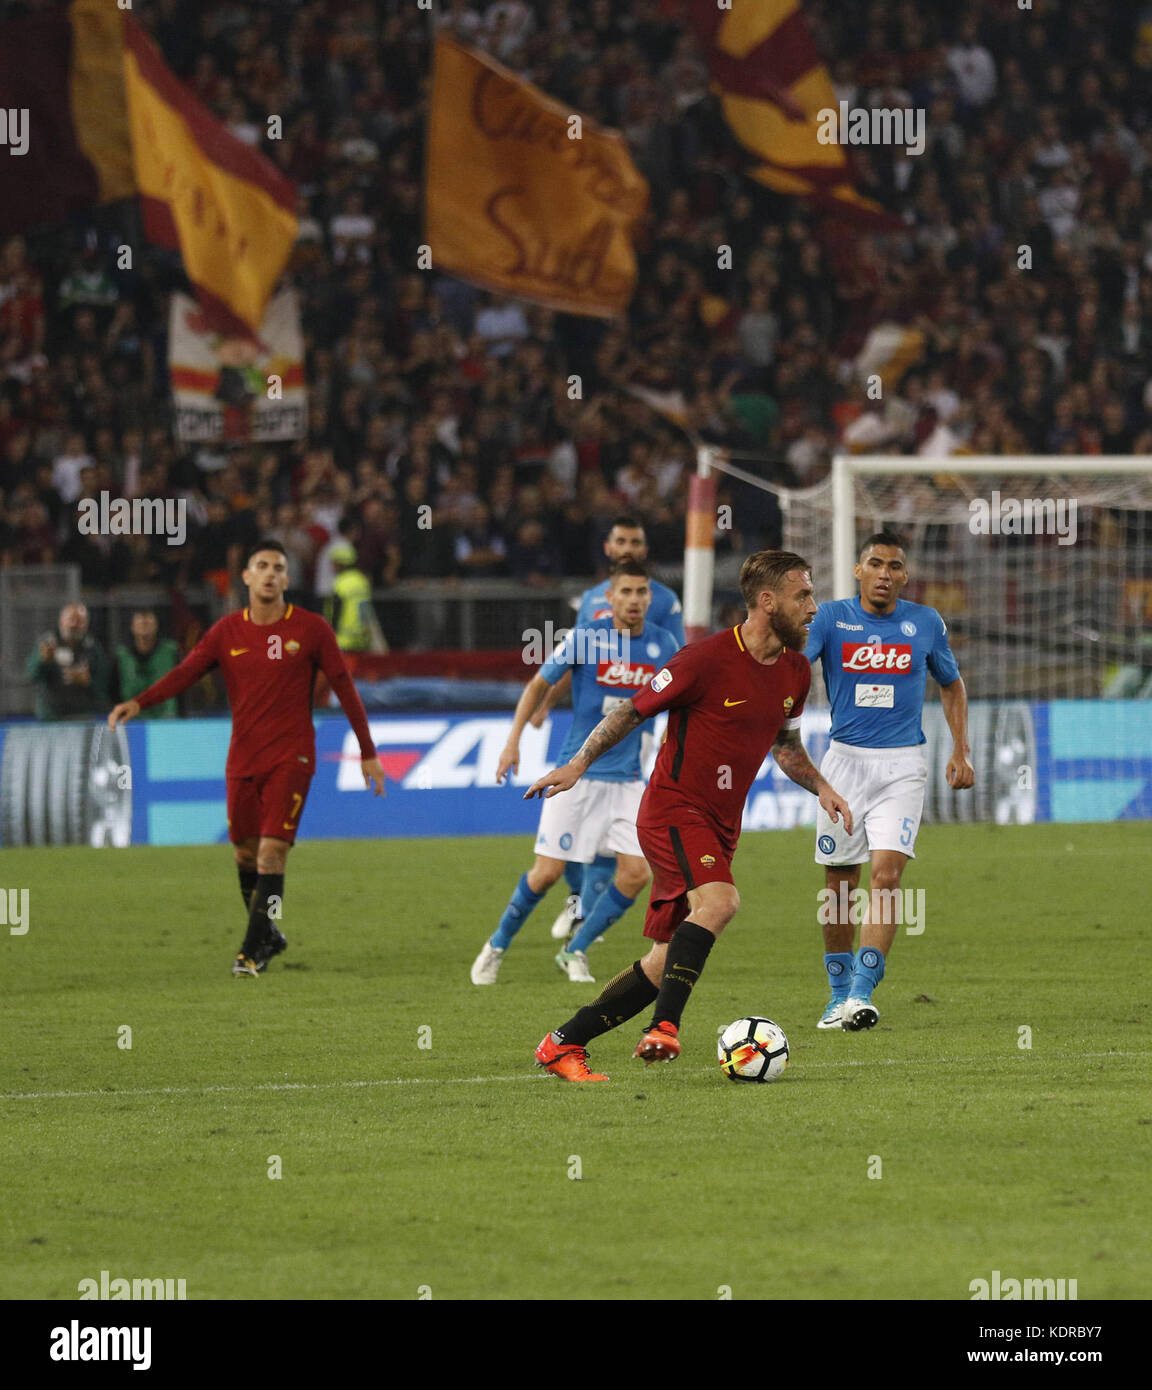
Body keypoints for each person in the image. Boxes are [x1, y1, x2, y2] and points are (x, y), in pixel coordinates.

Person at [526, 550, 853, 1081]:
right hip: (673, 809)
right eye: (803, 596)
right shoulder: (703, 660)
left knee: (662, 960)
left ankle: (562, 1044)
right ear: (767, 602)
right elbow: (631, 711)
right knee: (721, 902)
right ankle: (664, 1028)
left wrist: (823, 787)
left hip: (722, 824)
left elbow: (786, 745)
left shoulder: (795, 671)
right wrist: (578, 764)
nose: (814, 607)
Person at [108, 539, 386, 976]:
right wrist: (138, 703)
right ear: (248, 576)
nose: (271, 573)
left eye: (279, 566)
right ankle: (269, 933)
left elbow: (346, 689)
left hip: (292, 757)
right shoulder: (225, 633)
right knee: (244, 854)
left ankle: (249, 952)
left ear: (287, 580)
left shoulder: (312, 629)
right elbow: (186, 673)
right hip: (242, 758)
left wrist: (367, 752)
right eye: (262, 565)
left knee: (272, 854)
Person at [472, 561, 680, 985]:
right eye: (626, 592)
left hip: (627, 782)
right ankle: (495, 945)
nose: (635, 600)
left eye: (642, 592)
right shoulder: (586, 638)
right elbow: (537, 685)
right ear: (610, 597)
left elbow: (680, 701)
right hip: (576, 775)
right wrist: (512, 741)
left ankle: (575, 949)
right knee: (546, 873)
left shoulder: (665, 645)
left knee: (637, 873)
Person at [804, 531, 974, 1031]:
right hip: (843, 765)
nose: (884, 573)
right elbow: (796, 667)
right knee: (839, 883)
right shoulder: (831, 619)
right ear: (858, 570)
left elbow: (952, 685)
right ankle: (836, 994)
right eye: (875, 564)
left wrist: (961, 749)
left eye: (894, 566)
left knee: (886, 876)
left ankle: (860, 993)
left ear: (905, 575)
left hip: (903, 766)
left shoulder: (924, 622)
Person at [536, 514, 686, 945]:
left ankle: (586, 908)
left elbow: (678, 662)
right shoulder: (590, 601)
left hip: (637, 726)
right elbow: (572, 656)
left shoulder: (663, 600)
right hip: (592, 719)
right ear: (607, 548)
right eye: (620, 540)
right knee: (581, 818)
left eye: (635, 541)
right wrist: (546, 703)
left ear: (644, 549)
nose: (627, 548)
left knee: (612, 831)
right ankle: (580, 899)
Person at [26, 602, 109, 721]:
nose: (75, 625)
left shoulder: (93, 647)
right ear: (61, 621)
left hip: (83, 716)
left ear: (87, 624)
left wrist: (88, 681)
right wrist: (42, 661)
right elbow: (31, 675)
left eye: (80, 621)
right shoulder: (47, 643)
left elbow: (104, 684)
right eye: (71, 619)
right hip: (51, 717)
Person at [115, 610, 180, 718]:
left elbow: (183, 687)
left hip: (167, 722)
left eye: (148, 620)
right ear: (132, 627)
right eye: (140, 620)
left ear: (156, 626)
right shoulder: (121, 656)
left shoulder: (171, 652)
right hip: (131, 724)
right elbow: (113, 692)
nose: (144, 622)